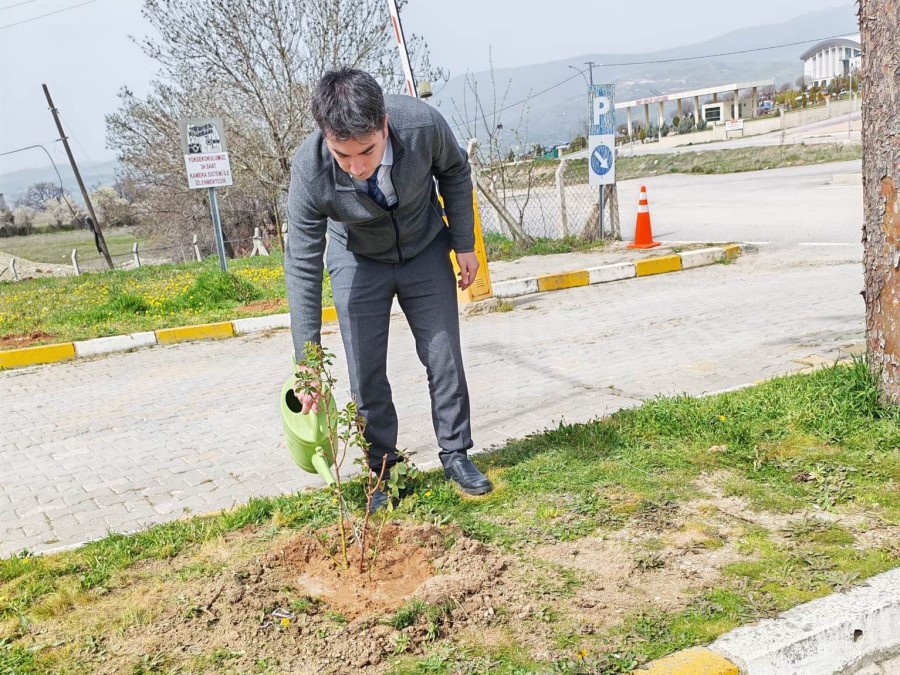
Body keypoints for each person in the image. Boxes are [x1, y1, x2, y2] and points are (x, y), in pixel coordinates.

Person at [284, 67, 492, 511]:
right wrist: (307, 363)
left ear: (384, 124)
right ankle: (383, 469)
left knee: (443, 355)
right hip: (356, 258)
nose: (357, 167)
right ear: (325, 137)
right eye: (343, 155)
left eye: (367, 151)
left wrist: (464, 243)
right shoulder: (309, 170)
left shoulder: (422, 124)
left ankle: (456, 454)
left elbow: (456, 171)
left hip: (424, 246)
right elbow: (301, 264)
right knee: (365, 371)